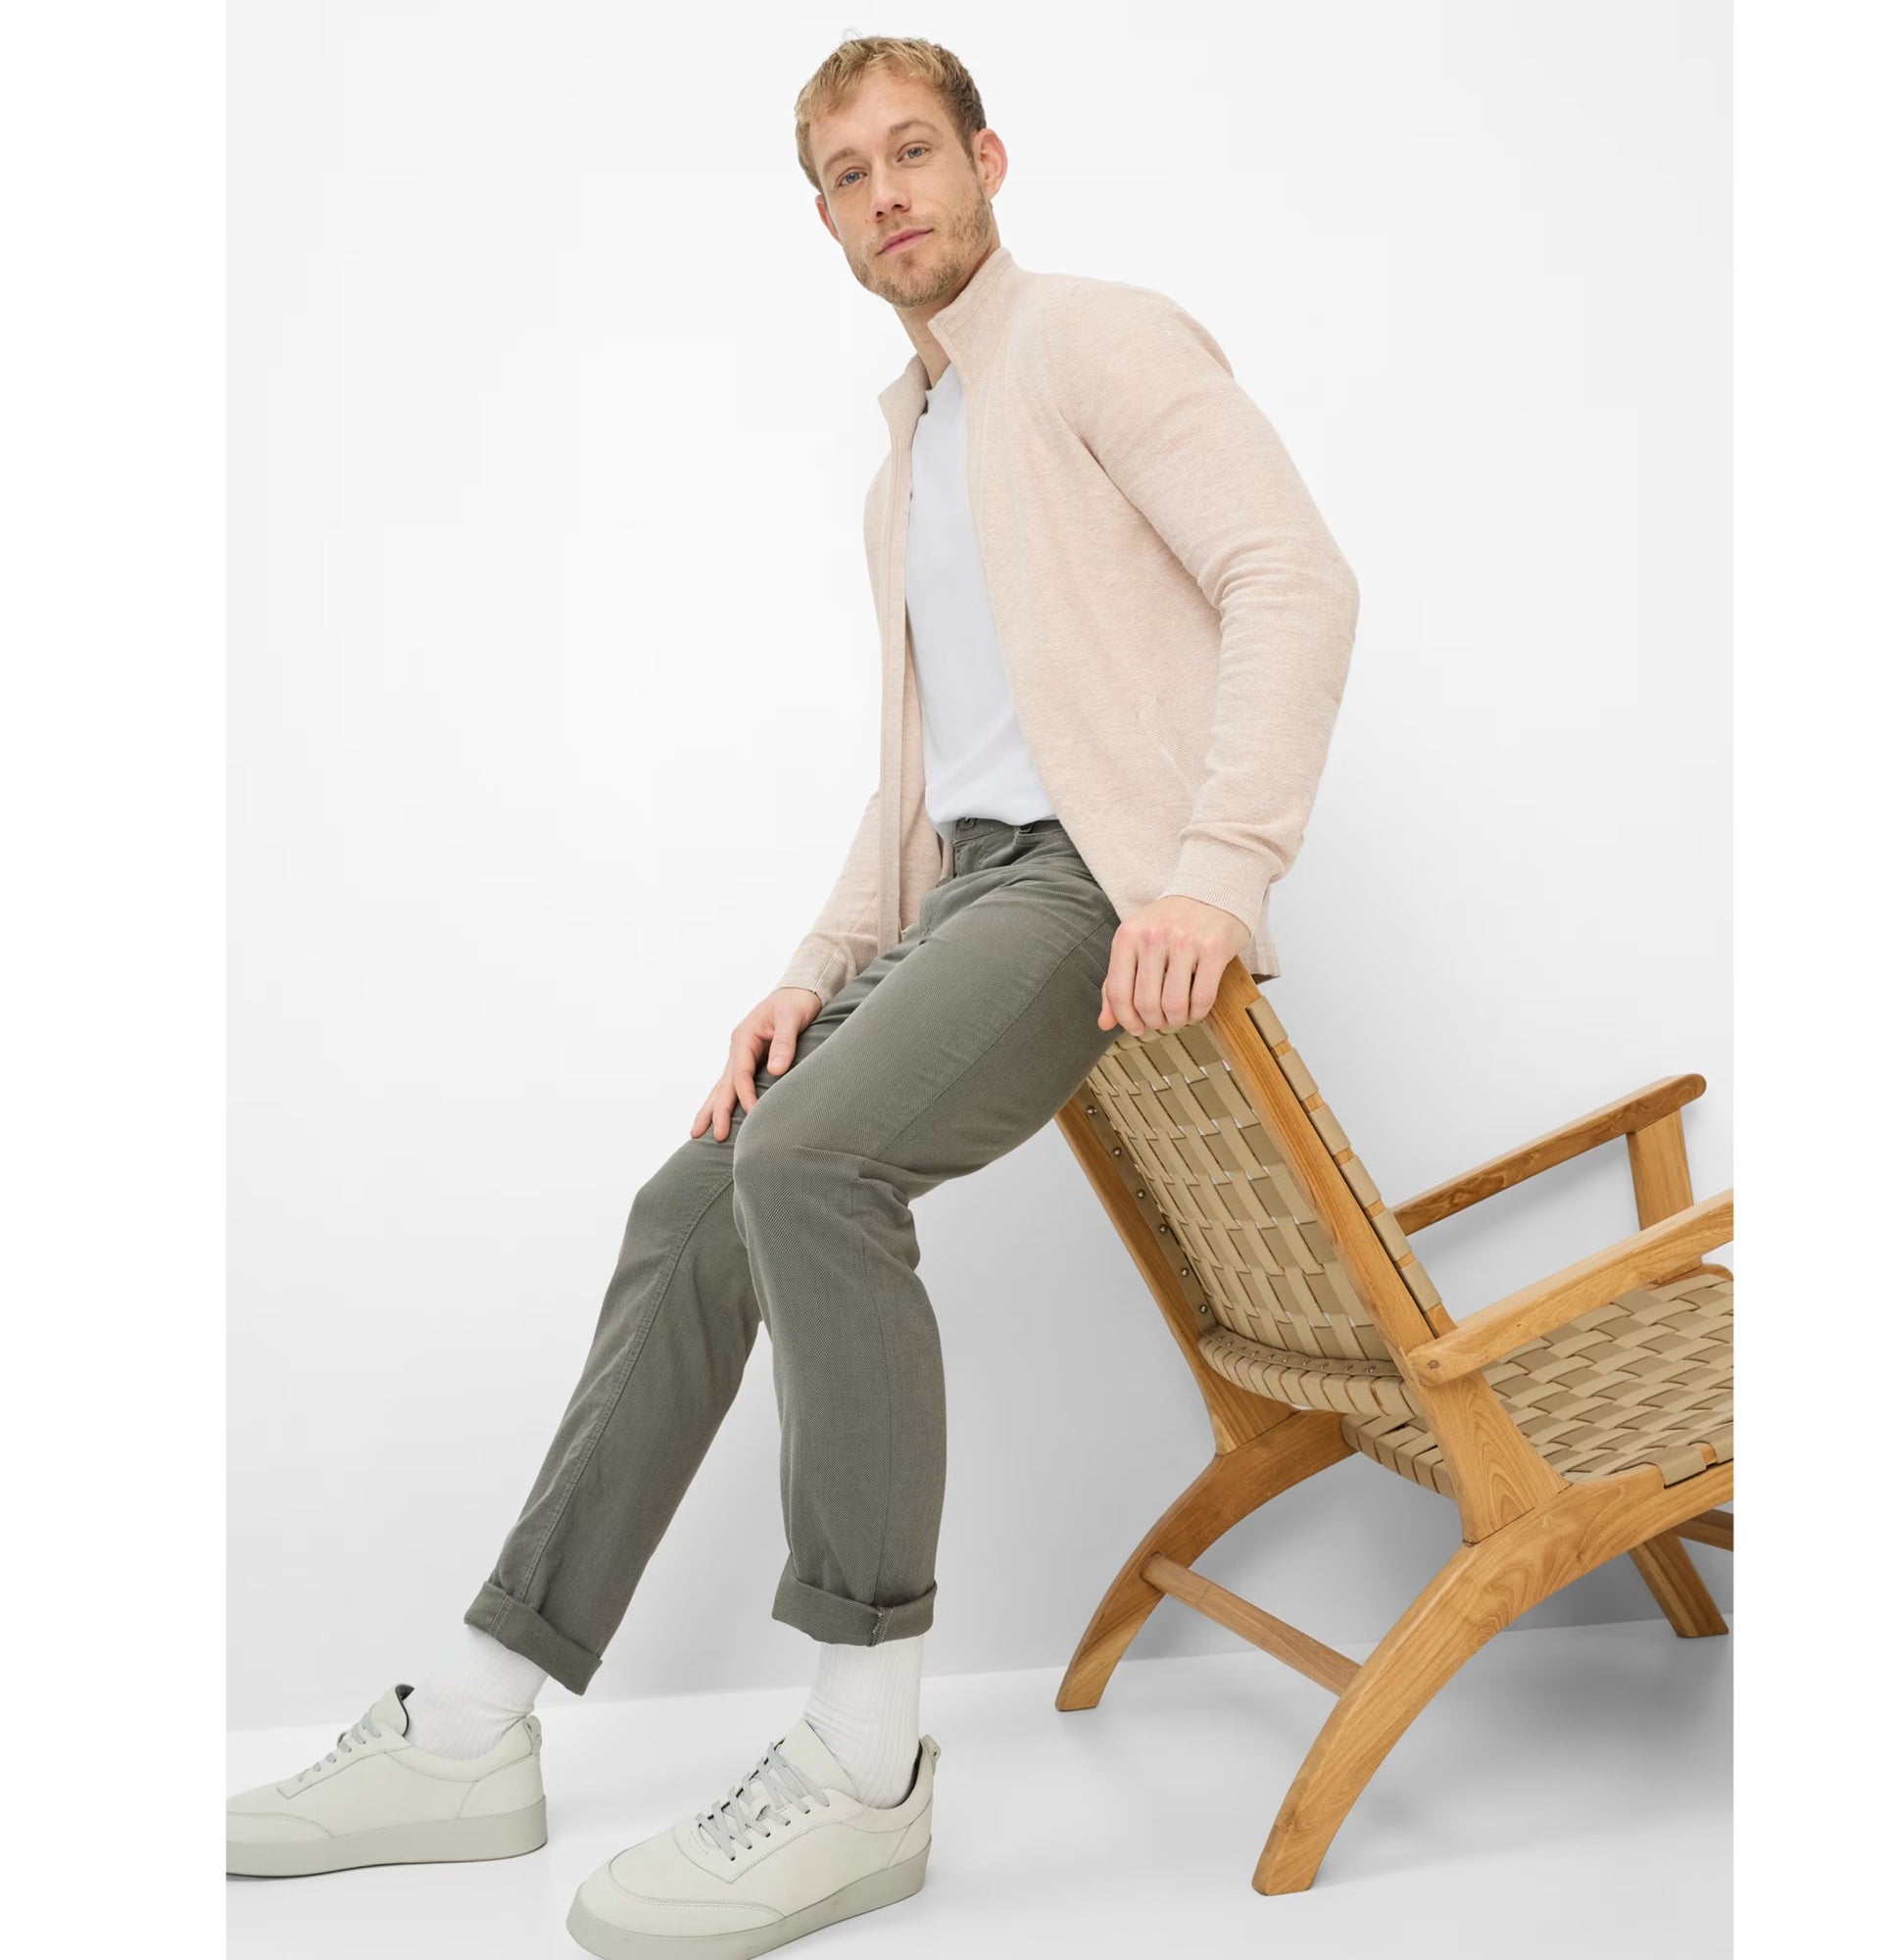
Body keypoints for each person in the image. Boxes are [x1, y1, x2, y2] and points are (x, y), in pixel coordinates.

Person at [226, 31, 1359, 1959]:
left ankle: (862, 1755)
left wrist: (1218, 874)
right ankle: (482, 1718)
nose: (886, 192)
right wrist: (809, 968)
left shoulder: (1092, 340)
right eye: (845, 174)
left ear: (990, 157)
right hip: (989, 877)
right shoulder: (907, 452)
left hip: (1104, 878)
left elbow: (1293, 576)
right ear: (825, 218)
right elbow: (925, 779)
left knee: (816, 1165)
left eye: (913, 150)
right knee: (702, 1188)